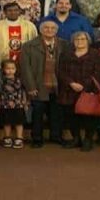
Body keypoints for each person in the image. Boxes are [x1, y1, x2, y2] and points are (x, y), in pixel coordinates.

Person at [20, 20, 68, 148]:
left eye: (52, 28)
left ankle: (56, 136)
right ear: (40, 30)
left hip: (58, 85)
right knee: (38, 113)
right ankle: (37, 138)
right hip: (38, 85)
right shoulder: (28, 46)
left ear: (56, 30)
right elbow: (25, 68)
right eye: (46, 28)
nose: (49, 30)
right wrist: (30, 87)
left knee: (56, 113)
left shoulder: (64, 44)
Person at [58, 31, 100, 151]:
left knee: (88, 116)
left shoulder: (95, 54)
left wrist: (84, 85)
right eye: (77, 40)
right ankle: (76, 139)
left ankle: (88, 140)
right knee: (71, 116)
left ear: (88, 41)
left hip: (89, 90)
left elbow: (98, 73)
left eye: (83, 39)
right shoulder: (66, 54)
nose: (80, 42)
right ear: (73, 42)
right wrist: (71, 83)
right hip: (69, 90)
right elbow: (61, 71)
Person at [0, 60, 29, 149]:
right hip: (5, 104)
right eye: (8, 68)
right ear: (3, 69)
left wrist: (25, 102)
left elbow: (23, 92)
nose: (10, 70)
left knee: (19, 122)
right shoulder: (1, 81)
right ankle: (7, 137)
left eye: (12, 68)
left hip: (18, 104)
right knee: (6, 122)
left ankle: (19, 138)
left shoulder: (19, 80)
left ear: (15, 69)